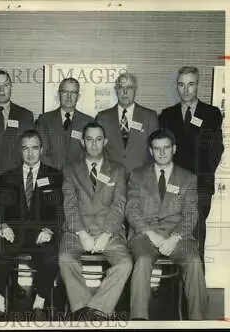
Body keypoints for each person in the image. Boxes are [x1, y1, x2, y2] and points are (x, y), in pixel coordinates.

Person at [126, 128, 208, 320]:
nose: (162, 153)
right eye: (157, 149)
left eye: (166, 148)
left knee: (194, 261)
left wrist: (174, 238)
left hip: (177, 236)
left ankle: (198, 321)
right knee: (143, 261)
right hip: (145, 236)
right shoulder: (137, 176)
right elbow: (132, 210)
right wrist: (150, 233)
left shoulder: (188, 178)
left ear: (174, 149)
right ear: (150, 151)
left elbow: (190, 213)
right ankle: (139, 320)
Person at [59, 122, 132, 321]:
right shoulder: (70, 169)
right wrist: (82, 234)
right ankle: (82, 306)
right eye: (89, 139)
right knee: (65, 258)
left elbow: (119, 205)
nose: (94, 144)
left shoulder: (117, 170)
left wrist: (106, 234)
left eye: (98, 139)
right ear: (82, 142)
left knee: (125, 264)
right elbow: (70, 205)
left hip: (109, 232)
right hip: (76, 231)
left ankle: (95, 310)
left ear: (105, 141)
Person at [0, 129, 63, 319]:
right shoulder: (7, 177)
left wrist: (50, 229)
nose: (30, 153)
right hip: (13, 231)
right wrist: (2, 226)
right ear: (20, 151)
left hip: (40, 232)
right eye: (25, 148)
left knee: (50, 253)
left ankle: (39, 303)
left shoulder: (54, 176)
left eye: (34, 148)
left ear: (42, 150)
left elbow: (59, 210)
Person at [159, 66, 224, 269]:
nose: (186, 90)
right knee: (172, 234)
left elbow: (216, 150)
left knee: (196, 236)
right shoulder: (167, 115)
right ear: (176, 86)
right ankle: (171, 290)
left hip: (200, 186)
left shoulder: (212, 114)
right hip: (173, 187)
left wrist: (201, 177)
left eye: (191, 84)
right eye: (181, 84)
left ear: (197, 85)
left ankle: (196, 292)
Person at [95, 72, 158, 173]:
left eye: (129, 87)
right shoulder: (102, 118)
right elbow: (98, 152)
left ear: (135, 90)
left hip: (142, 180)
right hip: (111, 179)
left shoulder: (150, 117)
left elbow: (156, 150)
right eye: (121, 87)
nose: (125, 92)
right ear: (116, 90)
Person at [36, 77, 94, 170]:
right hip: (51, 176)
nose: (69, 96)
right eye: (65, 92)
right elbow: (41, 152)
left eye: (73, 92)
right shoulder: (44, 120)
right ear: (59, 94)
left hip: (78, 178)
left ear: (78, 97)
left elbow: (91, 153)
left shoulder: (88, 122)